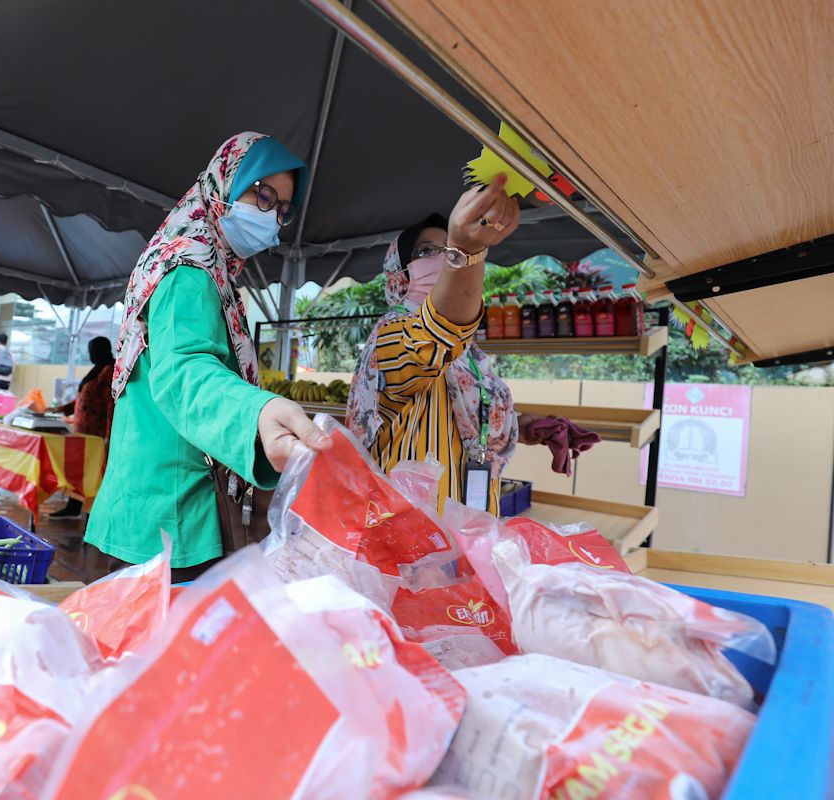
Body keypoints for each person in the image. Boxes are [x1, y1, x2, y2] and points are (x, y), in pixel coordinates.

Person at [85, 132, 332, 581]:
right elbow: (184, 368)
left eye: (282, 209)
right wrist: (257, 412)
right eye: (263, 194)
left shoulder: (198, 263)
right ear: (225, 181)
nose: (271, 216)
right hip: (171, 516)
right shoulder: (189, 269)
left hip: (154, 502)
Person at [347, 181, 599, 515]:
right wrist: (465, 249)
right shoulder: (391, 336)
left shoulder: (468, 356)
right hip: (409, 534)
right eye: (426, 251)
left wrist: (525, 427)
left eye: (447, 247)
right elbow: (439, 331)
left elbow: (464, 417)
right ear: (399, 273)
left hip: (467, 530)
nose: (442, 256)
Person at [48, 336, 117, 519]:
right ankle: (73, 506)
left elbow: (111, 406)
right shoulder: (98, 369)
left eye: (92, 350)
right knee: (79, 471)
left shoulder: (109, 371)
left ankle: (91, 512)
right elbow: (84, 399)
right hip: (84, 433)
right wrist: (61, 409)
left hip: (96, 435)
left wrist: (108, 437)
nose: (90, 354)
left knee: (90, 473)